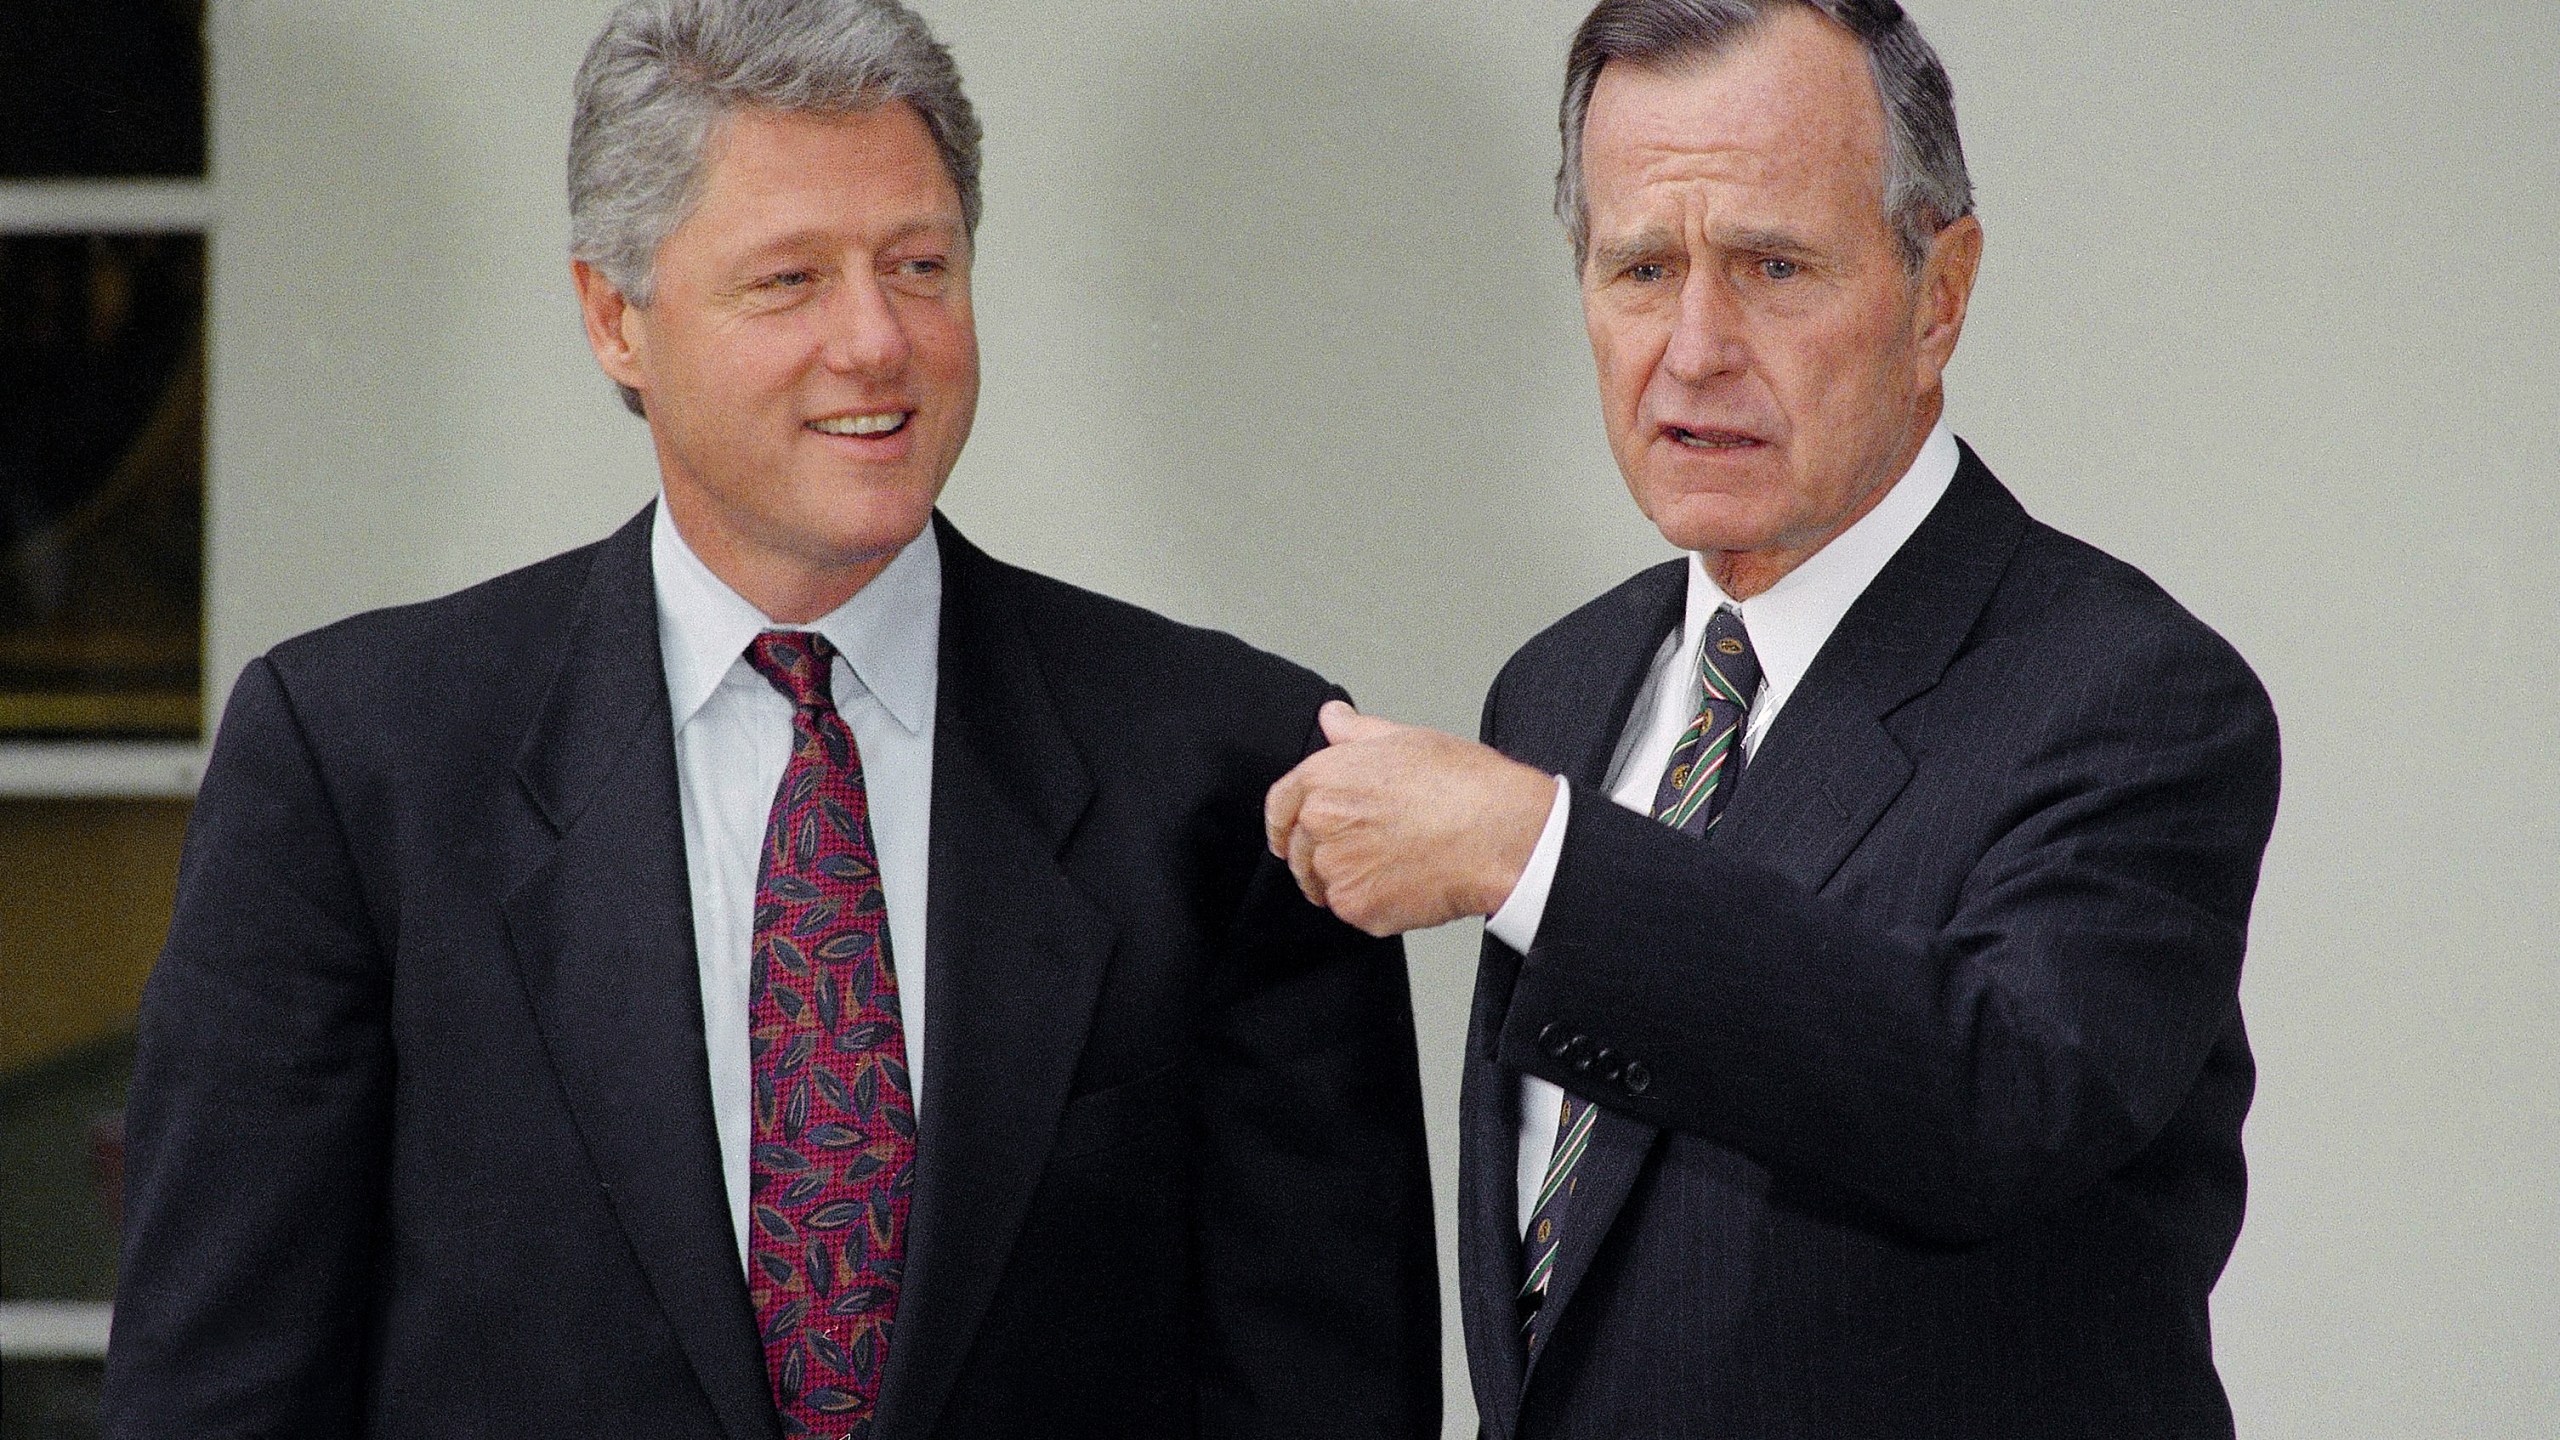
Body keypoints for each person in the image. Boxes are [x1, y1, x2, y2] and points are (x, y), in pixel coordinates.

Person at [102, 2, 1439, 1435]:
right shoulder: (357, 762)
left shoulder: (1232, 770)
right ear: (617, 317)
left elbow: (1329, 1394)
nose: (876, 342)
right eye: (790, 280)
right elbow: (218, 1394)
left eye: (919, 267)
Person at [1265, 1, 2281, 1434]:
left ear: (1939, 292)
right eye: (1640, 267)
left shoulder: (2129, 693)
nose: (1692, 348)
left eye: (1771, 266)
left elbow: (1994, 1102)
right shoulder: (1558, 685)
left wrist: (1540, 858)